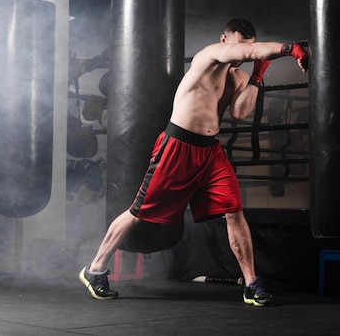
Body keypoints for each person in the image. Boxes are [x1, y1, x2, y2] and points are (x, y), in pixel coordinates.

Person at [79, 18, 309, 307]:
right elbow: (247, 53)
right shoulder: (210, 55)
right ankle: (95, 268)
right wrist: (290, 49)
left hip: (210, 153)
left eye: (249, 48)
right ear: (225, 41)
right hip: (177, 146)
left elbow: (240, 112)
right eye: (240, 45)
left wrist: (258, 75)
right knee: (138, 211)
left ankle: (252, 284)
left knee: (234, 212)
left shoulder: (237, 77)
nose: (244, 53)